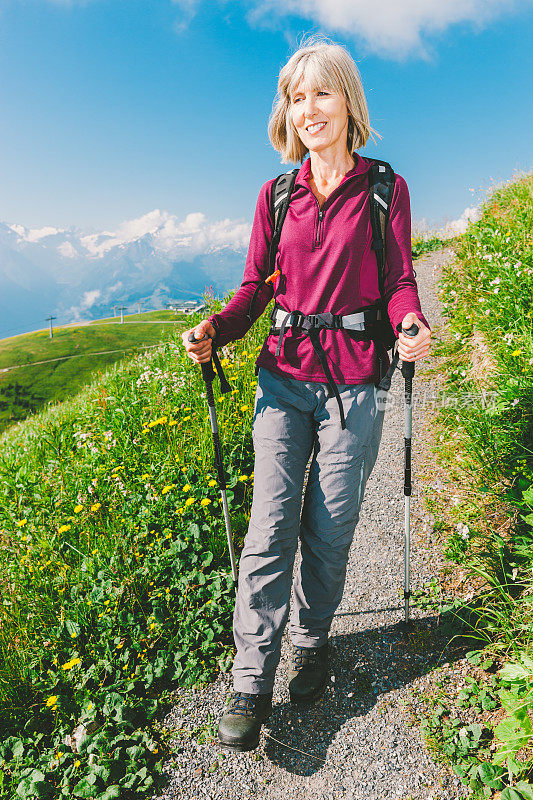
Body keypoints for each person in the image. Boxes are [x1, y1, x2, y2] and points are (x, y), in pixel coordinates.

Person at [182, 36, 431, 752]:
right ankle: (250, 679)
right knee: (268, 531)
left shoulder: (384, 188)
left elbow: (397, 280)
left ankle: (313, 641)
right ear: (286, 113)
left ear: (347, 101)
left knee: (329, 528)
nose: (307, 108)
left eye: (321, 92)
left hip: (355, 382)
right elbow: (255, 285)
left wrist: (408, 321)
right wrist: (217, 330)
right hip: (282, 378)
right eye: (296, 97)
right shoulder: (276, 193)